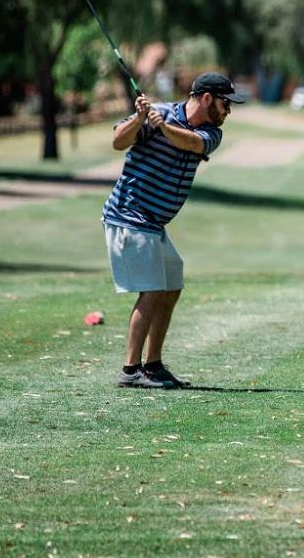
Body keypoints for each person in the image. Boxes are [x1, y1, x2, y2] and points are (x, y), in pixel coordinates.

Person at [102, 71, 246, 389]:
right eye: (226, 103)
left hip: (154, 223)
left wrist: (162, 127)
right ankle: (130, 371)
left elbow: (192, 143)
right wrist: (140, 119)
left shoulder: (210, 133)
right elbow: (117, 141)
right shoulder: (159, 113)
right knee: (153, 288)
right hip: (130, 216)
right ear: (207, 98)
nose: (228, 111)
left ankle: (152, 366)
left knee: (171, 284)